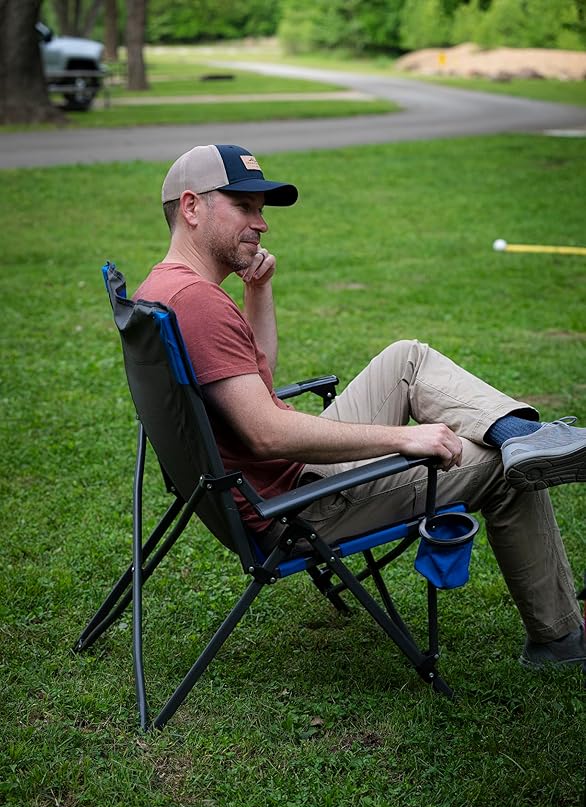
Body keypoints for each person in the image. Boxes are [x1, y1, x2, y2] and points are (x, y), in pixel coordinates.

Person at [134, 143, 586, 669]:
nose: (262, 224)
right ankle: (560, 637)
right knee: (502, 473)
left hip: (274, 482)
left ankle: (522, 435)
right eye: (245, 206)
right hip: (298, 506)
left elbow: (257, 386)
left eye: (262, 209)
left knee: (406, 358)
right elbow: (266, 434)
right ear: (192, 207)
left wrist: (258, 291)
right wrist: (404, 438)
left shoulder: (162, 289)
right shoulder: (200, 304)